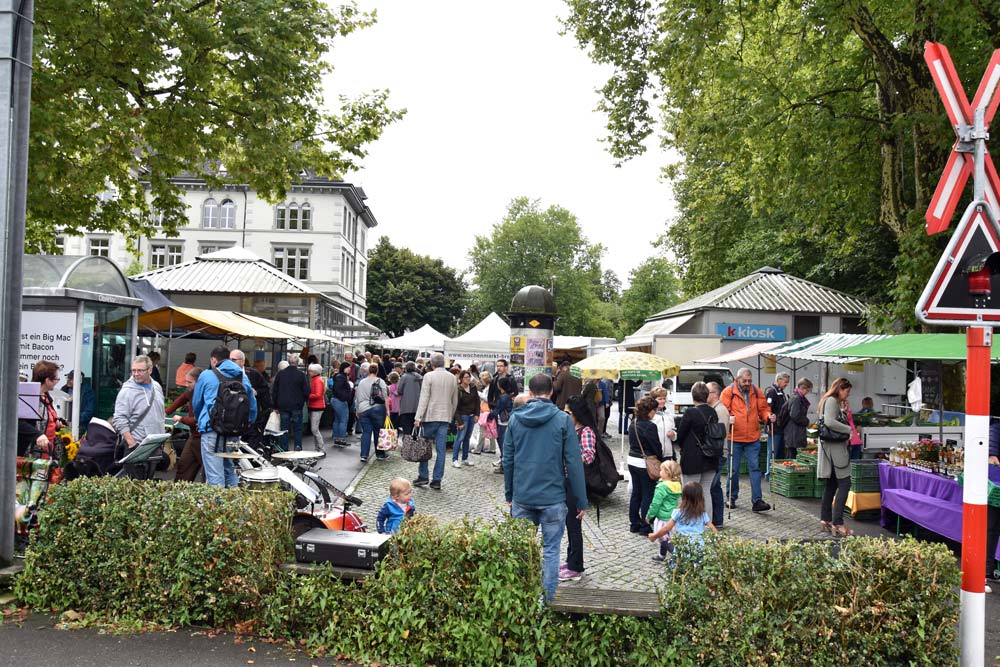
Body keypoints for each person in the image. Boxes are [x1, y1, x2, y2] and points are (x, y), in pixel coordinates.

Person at [503, 373, 588, 602]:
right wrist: (581, 500)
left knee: (522, 550)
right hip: (553, 497)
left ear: (530, 393)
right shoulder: (562, 420)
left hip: (523, 494)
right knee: (551, 551)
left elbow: (508, 459)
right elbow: (573, 462)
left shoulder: (515, 419)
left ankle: (524, 600)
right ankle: (547, 601)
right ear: (551, 392)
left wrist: (509, 492)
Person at [191, 346, 257, 488]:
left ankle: (219, 503)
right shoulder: (242, 376)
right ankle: (233, 500)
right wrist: (246, 423)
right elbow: (252, 405)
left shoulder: (206, 375)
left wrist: (200, 420)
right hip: (234, 432)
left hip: (212, 430)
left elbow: (196, 403)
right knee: (229, 471)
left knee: (215, 477)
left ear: (214, 360)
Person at [720, 368, 774, 513]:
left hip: (752, 437)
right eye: (744, 381)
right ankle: (731, 497)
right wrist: (728, 418)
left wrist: (768, 416)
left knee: (755, 468)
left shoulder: (756, 391)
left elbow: (763, 408)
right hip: (734, 437)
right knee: (733, 469)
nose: (747, 383)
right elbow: (723, 411)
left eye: (750, 381)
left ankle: (757, 501)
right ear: (737, 379)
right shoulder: (728, 392)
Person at [560, 394, 598, 582]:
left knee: (574, 524)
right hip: (565, 481)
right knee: (569, 522)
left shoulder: (586, 431)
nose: (565, 415)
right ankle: (570, 559)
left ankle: (576, 567)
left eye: (568, 412)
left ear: (576, 413)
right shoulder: (568, 429)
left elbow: (589, 456)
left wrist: (570, 457)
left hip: (576, 483)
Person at [677, 381, 721, 523]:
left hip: (692, 459)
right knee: (705, 491)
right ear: (707, 395)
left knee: (689, 492)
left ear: (693, 396)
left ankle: (689, 523)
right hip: (711, 457)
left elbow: (680, 435)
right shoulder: (712, 412)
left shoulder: (690, 413)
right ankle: (706, 523)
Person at [413, 353, 458, 489]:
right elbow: (454, 399)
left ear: (432, 364)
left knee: (424, 446)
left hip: (430, 416)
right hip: (445, 417)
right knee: (441, 450)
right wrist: (450, 415)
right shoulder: (452, 378)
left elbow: (424, 398)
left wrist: (418, 417)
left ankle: (423, 476)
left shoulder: (429, 376)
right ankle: (437, 479)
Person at [818, 377, 854, 537]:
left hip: (830, 449)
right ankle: (838, 523)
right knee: (845, 483)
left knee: (831, 484)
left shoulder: (829, 401)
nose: (848, 394)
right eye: (847, 391)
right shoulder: (832, 401)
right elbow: (830, 422)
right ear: (840, 389)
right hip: (835, 450)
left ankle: (825, 519)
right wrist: (848, 429)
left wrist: (843, 412)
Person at [112, 354, 166, 451]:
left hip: (156, 444)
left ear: (150, 370)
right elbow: (119, 419)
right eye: (133, 370)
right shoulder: (127, 391)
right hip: (137, 446)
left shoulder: (157, 386)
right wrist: (132, 443)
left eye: (140, 370)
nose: (136, 374)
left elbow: (161, 413)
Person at [627, 396, 663, 535]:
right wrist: (660, 459)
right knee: (647, 494)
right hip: (645, 463)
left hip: (632, 460)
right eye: (654, 410)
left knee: (636, 493)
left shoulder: (633, 422)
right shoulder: (650, 426)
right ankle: (645, 526)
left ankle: (634, 523)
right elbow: (656, 446)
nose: (655, 413)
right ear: (649, 410)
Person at [647, 481, 717, 549]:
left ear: (683, 497)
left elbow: (666, 528)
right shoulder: (702, 514)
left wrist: (654, 536)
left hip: (682, 549)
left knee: (669, 546)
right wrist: (719, 542)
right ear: (701, 498)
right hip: (698, 548)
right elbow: (713, 529)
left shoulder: (678, 513)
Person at [17, 360, 66, 459]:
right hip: (31, 452)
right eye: (56, 379)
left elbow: (45, 419)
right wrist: (37, 435)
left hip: (47, 450)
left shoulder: (46, 396)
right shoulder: (28, 396)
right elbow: (18, 422)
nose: (57, 381)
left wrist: (56, 423)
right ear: (47, 380)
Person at [168, 367, 203, 482]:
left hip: (204, 438)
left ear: (199, 382)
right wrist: (165, 412)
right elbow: (180, 400)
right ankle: (179, 489)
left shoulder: (205, 395)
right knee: (184, 465)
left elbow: (198, 420)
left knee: (208, 472)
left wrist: (181, 418)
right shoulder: (191, 392)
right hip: (194, 436)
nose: (187, 385)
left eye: (190, 382)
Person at [231, 349, 270, 448]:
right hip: (233, 417)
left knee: (251, 444)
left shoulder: (252, 373)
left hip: (251, 416)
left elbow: (265, 388)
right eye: (229, 360)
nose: (231, 362)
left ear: (242, 361)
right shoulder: (226, 374)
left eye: (234, 360)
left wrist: (256, 392)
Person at [271, 355, 310, 451]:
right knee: (297, 428)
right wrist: (303, 400)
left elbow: (275, 391)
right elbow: (307, 391)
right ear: (297, 363)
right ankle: (297, 447)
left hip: (283, 405)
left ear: (288, 362)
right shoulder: (301, 375)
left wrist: (275, 405)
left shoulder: (280, 374)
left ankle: (284, 449)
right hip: (297, 405)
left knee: (284, 428)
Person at [646, 460, 683, 561]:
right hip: (672, 516)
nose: (660, 472)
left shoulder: (662, 487)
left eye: (661, 470)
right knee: (667, 537)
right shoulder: (677, 485)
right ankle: (662, 555)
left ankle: (677, 555)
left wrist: (649, 516)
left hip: (662, 517)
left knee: (662, 539)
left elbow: (655, 504)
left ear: (667, 473)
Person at [706, 382, 729, 529]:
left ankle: (716, 519)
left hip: (719, 453)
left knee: (712, 486)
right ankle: (717, 519)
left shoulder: (720, 411)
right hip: (718, 452)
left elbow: (718, 435)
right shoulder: (714, 409)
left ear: (714, 394)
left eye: (707, 392)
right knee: (715, 487)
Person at [356, 363, 389, 463]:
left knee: (366, 432)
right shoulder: (380, 381)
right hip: (377, 408)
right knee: (378, 432)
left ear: (368, 371)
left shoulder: (362, 382)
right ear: (377, 371)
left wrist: (357, 410)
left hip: (363, 409)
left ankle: (364, 455)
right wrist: (388, 410)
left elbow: (358, 397)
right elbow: (385, 397)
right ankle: (380, 454)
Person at [488, 376, 517, 473]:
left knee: (503, 444)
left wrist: (488, 417)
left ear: (500, 386)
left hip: (503, 422)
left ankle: (504, 467)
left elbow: (497, 410)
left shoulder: (503, 397)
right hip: (507, 422)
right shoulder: (508, 396)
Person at [453, 370, 480, 468]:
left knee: (467, 438)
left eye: (469, 377)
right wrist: (460, 421)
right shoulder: (458, 390)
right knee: (459, 438)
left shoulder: (473, 387)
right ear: (461, 379)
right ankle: (455, 459)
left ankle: (465, 458)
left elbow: (477, 401)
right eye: (466, 377)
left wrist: (477, 414)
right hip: (463, 416)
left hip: (472, 416)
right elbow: (455, 407)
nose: (468, 379)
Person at [782, 377, 813, 462]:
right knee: (792, 458)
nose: (807, 393)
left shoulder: (795, 397)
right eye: (807, 390)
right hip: (794, 433)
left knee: (792, 457)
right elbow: (795, 415)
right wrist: (806, 421)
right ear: (803, 388)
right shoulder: (797, 398)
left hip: (793, 433)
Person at [765, 373, 790, 461]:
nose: (787, 384)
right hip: (774, 428)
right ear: (779, 380)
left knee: (780, 454)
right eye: (785, 382)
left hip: (781, 428)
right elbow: (768, 409)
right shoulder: (772, 392)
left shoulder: (781, 392)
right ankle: (769, 469)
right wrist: (769, 426)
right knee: (772, 453)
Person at [648, 386, 677, 460]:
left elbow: (674, 429)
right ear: (653, 400)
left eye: (664, 398)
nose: (663, 401)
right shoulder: (649, 414)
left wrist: (673, 435)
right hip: (653, 454)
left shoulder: (669, 413)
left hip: (668, 454)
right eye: (660, 399)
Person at [472, 371, 496, 455]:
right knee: (490, 429)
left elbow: (487, 398)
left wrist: (478, 393)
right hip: (488, 411)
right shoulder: (489, 387)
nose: (481, 381)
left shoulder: (489, 388)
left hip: (485, 411)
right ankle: (492, 448)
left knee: (482, 430)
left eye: (481, 379)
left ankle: (478, 449)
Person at [396, 361, 423, 437]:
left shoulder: (404, 377)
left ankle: (407, 442)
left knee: (406, 427)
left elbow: (399, 390)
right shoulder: (420, 377)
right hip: (417, 406)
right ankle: (414, 441)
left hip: (406, 406)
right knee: (415, 427)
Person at [329, 362, 352, 446]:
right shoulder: (341, 377)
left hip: (336, 400)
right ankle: (341, 439)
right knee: (343, 420)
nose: (349, 369)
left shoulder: (339, 376)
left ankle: (336, 438)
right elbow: (338, 389)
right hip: (340, 401)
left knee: (337, 420)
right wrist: (345, 397)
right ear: (344, 368)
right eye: (348, 367)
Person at [306, 363, 327, 451]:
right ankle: (318, 448)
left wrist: (307, 395)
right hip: (315, 406)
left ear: (315, 372)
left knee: (314, 429)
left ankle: (321, 448)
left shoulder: (317, 380)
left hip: (316, 407)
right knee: (315, 429)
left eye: (310, 371)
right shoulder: (317, 379)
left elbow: (318, 395)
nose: (309, 372)